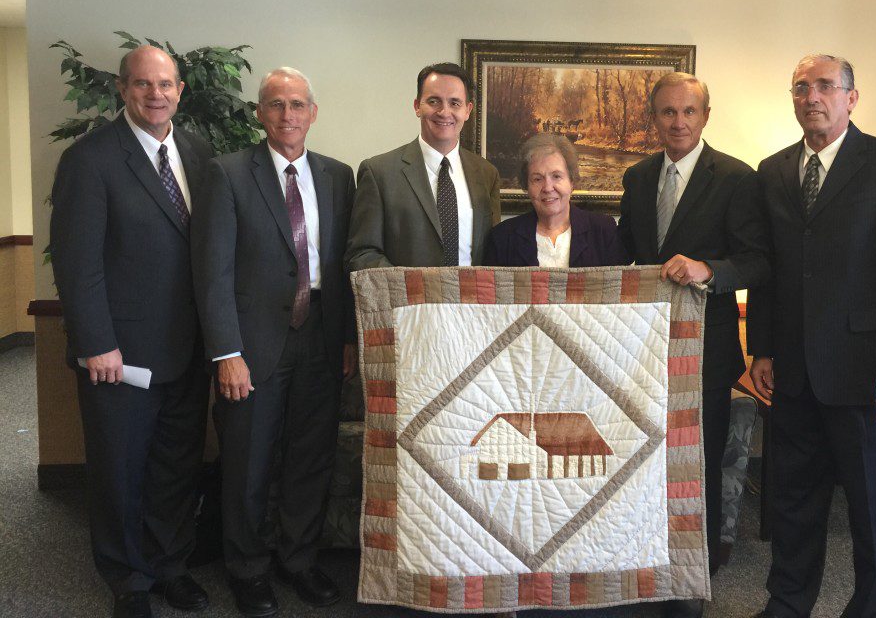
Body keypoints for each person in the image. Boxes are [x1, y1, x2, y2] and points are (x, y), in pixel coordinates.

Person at [746, 54, 876, 618]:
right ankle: (787, 602)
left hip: (867, 376)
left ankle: (871, 609)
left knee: (872, 511)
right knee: (793, 504)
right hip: (794, 374)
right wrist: (762, 347)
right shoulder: (774, 169)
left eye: (826, 86)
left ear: (851, 98)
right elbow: (770, 270)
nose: (813, 96)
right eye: (801, 87)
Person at [50, 45, 213, 618]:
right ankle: (128, 580)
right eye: (142, 84)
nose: (156, 94)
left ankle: (171, 566)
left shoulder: (197, 152)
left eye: (165, 84)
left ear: (180, 91)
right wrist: (96, 342)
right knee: (120, 471)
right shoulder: (89, 159)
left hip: (190, 350)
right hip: (118, 355)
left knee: (176, 466)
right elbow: (77, 263)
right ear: (122, 90)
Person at [191, 67, 356, 617]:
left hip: (321, 340)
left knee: (310, 459)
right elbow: (211, 272)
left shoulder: (338, 177)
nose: (288, 115)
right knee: (248, 461)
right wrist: (226, 353)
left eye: (298, 105)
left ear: (314, 112)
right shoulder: (229, 174)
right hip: (252, 346)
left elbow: (341, 268)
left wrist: (349, 340)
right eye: (276, 104)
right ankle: (247, 569)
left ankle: (298, 561)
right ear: (260, 113)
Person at [619, 71, 769, 618]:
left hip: (706, 352)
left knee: (697, 463)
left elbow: (758, 260)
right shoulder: (636, 178)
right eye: (667, 113)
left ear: (705, 117)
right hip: (643, 352)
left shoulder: (735, 177)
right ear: (653, 117)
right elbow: (626, 257)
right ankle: (645, 562)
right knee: (642, 460)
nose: (678, 122)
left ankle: (691, 578)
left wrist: (709, 269)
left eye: (689, 112)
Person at [345, 62, 500, 270]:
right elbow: (362, 255)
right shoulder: (378, 173)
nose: (444, 112)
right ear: (417, 106)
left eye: (455, 103)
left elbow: (493, 252)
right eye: (434, 101)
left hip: (470, 302)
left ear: (468, 110)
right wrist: (412, 289)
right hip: (406, 301)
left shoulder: (486, 174)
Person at [483, 132, 626, 267]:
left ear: (571, 182)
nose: (547, 187)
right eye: (537, 179)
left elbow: (619, 290)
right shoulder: (502, 237)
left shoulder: (603, 231)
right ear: (526, 186)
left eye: (556, 176)